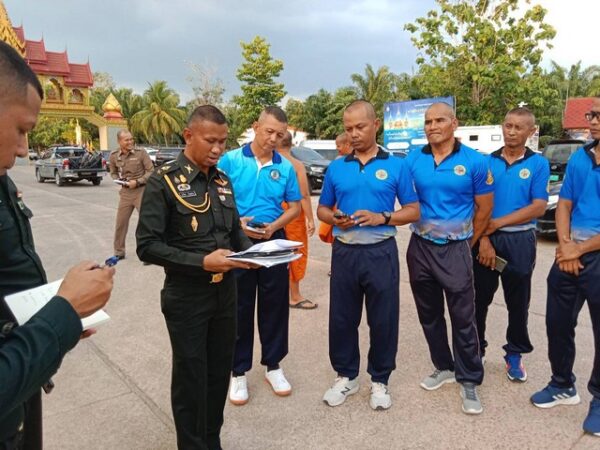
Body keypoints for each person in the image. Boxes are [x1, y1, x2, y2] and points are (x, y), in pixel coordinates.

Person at [0, 40, 114, 450]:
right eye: (21, 130)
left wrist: (60, 313)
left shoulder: (1, 181)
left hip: (21, 393)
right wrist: (61, 316)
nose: (23, 149)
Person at [136, 105, 254, 449]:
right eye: (210, 141)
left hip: (225, 294)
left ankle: (211, 441)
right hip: (187, 296)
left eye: (223, 141)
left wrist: (253, 253)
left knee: (218, 374)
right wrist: (202, 262)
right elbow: (147, 247)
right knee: (191, 379)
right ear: (189, 136)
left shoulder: (222, 181)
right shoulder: (163, 181)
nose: (218, 149)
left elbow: (234, 232)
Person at [317, 100, 420, 410]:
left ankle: (380, 379)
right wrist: (334, 218)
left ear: (376, 125)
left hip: (380, 252)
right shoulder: (337, 167)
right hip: (345, 252)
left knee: (383, 318)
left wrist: (382, 217)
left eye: (360, 127)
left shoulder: (397, 165)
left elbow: (413, 210)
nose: (354, 134)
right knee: (342, 318)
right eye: (348, 128)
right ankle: (346, 376)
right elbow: (322, 209)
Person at [405, 102, 493, 415]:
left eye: (439, 120)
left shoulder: (475, 161)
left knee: (463, 317)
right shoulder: (413, 158)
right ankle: (444, 366)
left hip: (456, 248)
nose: (432, 126)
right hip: (420, 247)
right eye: (428, 121)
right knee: (429, 314)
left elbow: (485, 208)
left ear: (454, 123)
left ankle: (469, 378)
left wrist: (469, 242)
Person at [217, 106, 302, 406]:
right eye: (269, 131)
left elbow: (295, 206)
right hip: (238, 240)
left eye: (280, 134)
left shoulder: (285, 167)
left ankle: (274, 366)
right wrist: (235, 223)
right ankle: (238, 371)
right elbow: (215, 199)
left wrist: (275, 227)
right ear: (255, 127)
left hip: (272, 241)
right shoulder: (230, 160)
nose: (273, 139)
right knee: (238, 307)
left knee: (275, 306)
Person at [530, 98, 600, 437]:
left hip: (593, 253)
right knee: (557, 323)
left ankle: (599, 399)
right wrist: (565, 245)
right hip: (570, 251)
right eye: (591, 114)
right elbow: (565, 203)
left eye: (599, 115)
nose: (592, 121)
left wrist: (578, 249)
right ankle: (562, 384)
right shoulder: (580, 156)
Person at [474, 108, 549, 381]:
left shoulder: (538, 164)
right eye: (508, 125)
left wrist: (498, 223)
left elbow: (539, 206)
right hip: (486, 238)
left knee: (518, 302)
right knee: (478, 299)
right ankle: (476, 349)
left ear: (531, 131)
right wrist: (484, 238)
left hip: (519, 240)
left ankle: (514, 354)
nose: (512, 132)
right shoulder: (486, 162)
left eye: (519, 127)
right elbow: (476, 204)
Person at [277, 131, 317, 309]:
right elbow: (304, 195)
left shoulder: (268, 162)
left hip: (272, 213)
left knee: (273, 251)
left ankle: (276, 293)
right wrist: (310, 219)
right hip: (292, 214)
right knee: (295, 252)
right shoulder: (295, 165)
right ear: (291, 144)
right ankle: (294, 295)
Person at [109, 130, 153, 260]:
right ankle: (119, 252)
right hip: (125, 193)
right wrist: (118, 180)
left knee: (146, 223)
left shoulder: (141, 153)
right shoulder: (114, 156)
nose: (130, 142)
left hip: (141, 191)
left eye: (131, 139)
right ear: (119, 142)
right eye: (126, 140)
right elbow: (113, 172)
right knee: (121, 223)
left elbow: (151, 171)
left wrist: (138, 181)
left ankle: (148, 253)